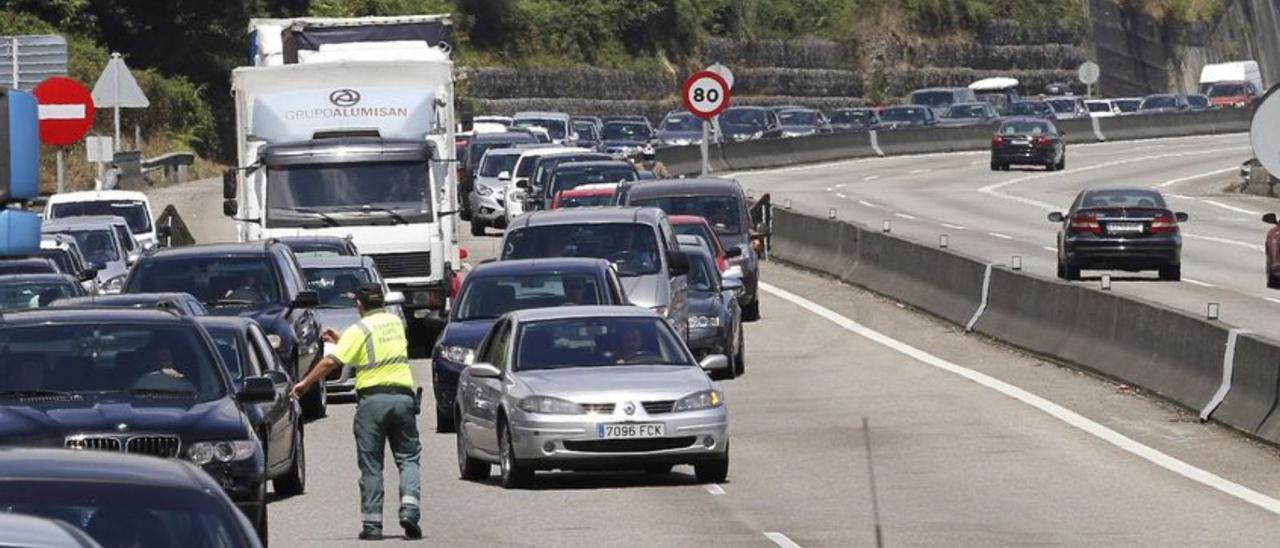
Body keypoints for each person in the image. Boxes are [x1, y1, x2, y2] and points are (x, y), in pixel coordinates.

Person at [291, 283, 421, 541]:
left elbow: (331, 361)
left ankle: (372, 525)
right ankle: (410, 510)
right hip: (403, 399)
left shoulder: (358, 329)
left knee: (372, 465)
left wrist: (305, 383)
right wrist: (343, 340)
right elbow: (377, 348)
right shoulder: (395, 324)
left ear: (360, 304)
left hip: (372, 402)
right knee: (408, 458)